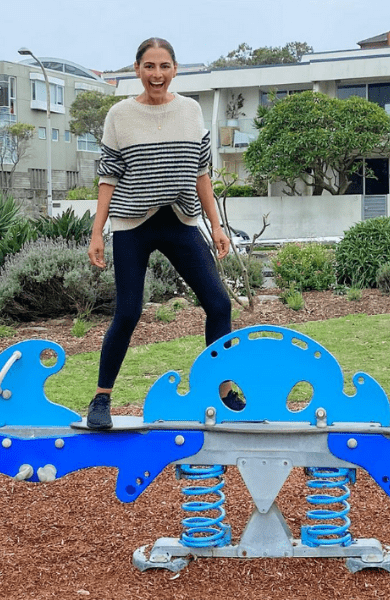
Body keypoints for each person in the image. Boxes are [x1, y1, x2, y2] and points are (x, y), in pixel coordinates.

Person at [86, 37, 241, 429]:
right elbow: (108, 177)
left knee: (219, 305)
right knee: (128, 311)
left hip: (180, 220)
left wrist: (216, 226)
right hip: (132, 223)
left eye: (165, 66)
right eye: (150, 66)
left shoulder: (191, 111)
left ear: (175, 69)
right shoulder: (119, 115)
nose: (157, 74)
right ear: (138, 69)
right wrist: (97, 231)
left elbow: (202, 172)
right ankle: (101, 399)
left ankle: (220, 390)